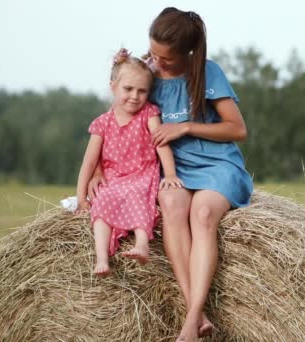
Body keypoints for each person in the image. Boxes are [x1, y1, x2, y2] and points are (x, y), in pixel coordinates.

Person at [87, 7, 253, 341]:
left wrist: (186, 127)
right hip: (172, 171)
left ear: (187, 53)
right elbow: (113, 123)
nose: (158, 64)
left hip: (217, 164)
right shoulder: (145, 74)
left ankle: (191, 321)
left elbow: (238, 129)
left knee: (203, 213)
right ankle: (199, 313)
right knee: (172, 207)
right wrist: (98, 170)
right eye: (154, 54)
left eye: (167, 59)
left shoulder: (208, 73)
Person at [76, 48, 183, 277]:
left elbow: (161, 144)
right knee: (102, 200)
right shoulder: (102, 123)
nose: (135, 96)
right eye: (128, 89)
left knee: (137, 194)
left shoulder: (149, 113)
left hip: (142, 173)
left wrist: (171, 173)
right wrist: (80, 198)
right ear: (113, 86)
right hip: (114, 176)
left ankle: (142, 244)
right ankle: (102, 259)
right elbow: (88, 161)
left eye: (142, 91)